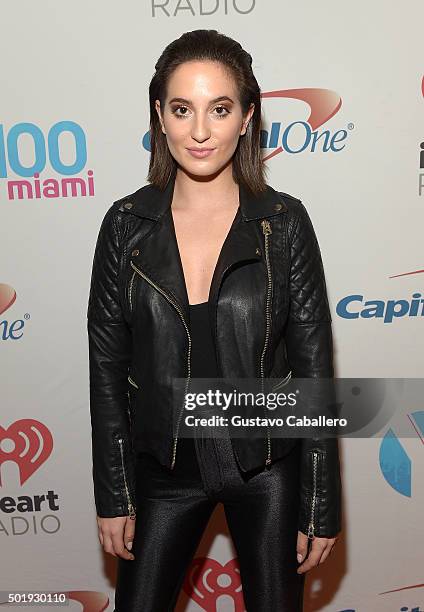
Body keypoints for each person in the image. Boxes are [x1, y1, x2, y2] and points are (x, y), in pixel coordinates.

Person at [87, 29, 342, 612]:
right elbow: (107, 371)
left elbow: (313, 371)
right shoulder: (124, 226)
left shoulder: (285, 223)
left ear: (249, 117)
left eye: (220, 109)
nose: (199, 131)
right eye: (182, 109)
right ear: (160, 115)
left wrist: (317, 503)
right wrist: (115, 492)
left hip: (268, 469)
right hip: (164, 469)